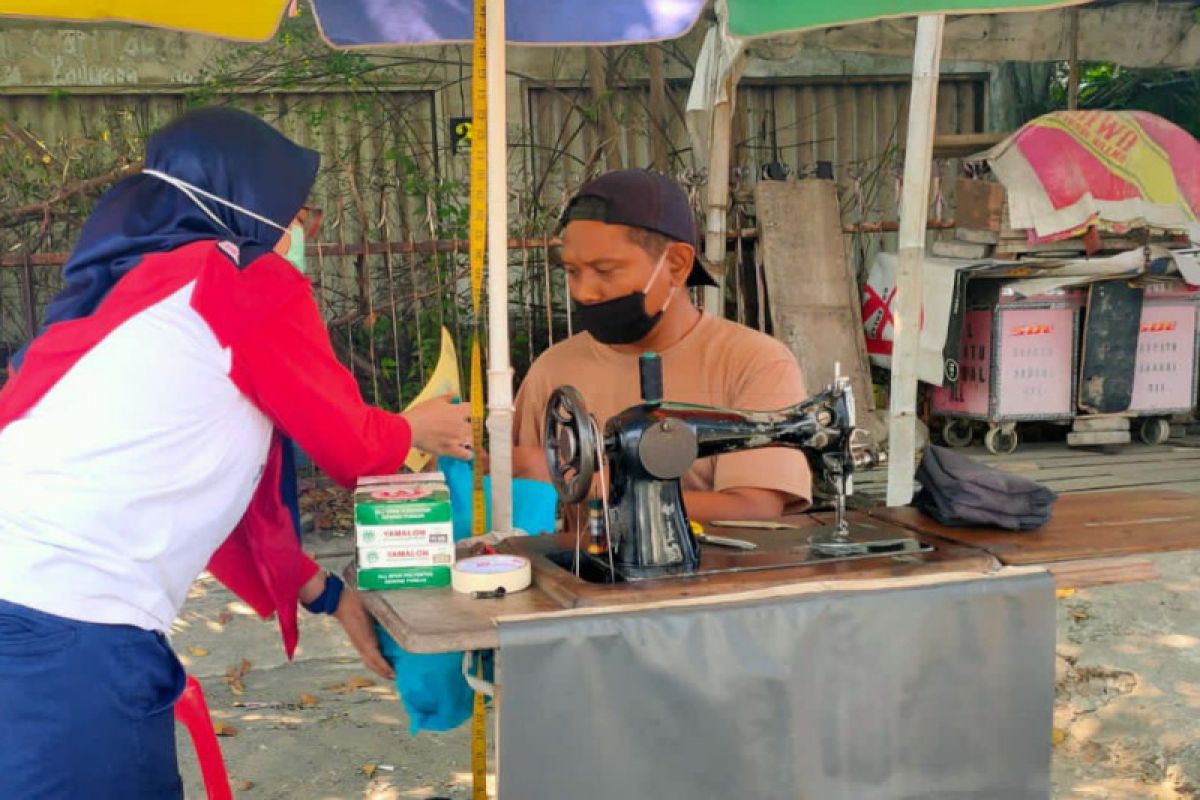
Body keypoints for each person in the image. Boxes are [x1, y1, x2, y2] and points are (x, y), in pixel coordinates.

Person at [0, 107, 471, 799]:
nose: (302, 233)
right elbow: (354, 448)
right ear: (250, 209)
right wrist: (419, 428)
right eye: (299, 214)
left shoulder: (129, 298)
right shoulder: (237, 279)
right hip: (69, 636)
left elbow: (212, 496)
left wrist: (330, 595)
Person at [513, 169, 812, 522]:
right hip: (580, 575)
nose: (583, 292)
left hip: (712, 574)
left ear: (677, 264)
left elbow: (754, 508)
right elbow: (515, 486)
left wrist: (589, 483)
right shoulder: (553, 369)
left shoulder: (754, 363)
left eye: (605, 271)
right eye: (573, 272)